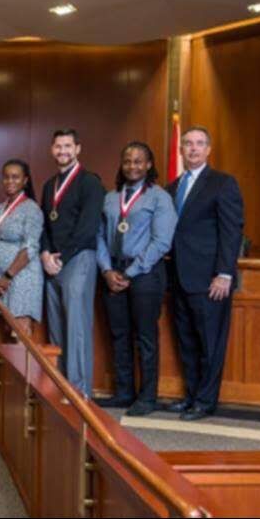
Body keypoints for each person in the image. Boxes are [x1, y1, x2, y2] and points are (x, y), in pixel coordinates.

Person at [164, 126, 244, 421]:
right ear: (181, 150)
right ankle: (191, 396)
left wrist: (224, 273)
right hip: (179, 277)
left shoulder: (222, 183)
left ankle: (205, 402)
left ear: (208, 150)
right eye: (188, 144)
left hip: (210, 279)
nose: (193, 149)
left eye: (199, 144)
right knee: (186, 341)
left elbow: (231, 231)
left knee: (210, 343)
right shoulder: (172, 187)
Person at [96, 141, 177, 417]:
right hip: (112, 273)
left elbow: (161, 242)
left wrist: (129, 273)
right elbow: (99, 237)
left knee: (145, 337)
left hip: (145, 275)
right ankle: (124, 391)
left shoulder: (159, 197)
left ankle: (147, 396)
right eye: (128, 161)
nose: (133, 166)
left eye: (139, 161)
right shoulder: (110, 198)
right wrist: (107, 270)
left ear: (149, 164)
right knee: (119, 335)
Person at [39, 129, 105, 399]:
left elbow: (87, 228)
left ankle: (78, 391)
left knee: (76, 326)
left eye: (68, 146)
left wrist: (60, 256)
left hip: (78, 259)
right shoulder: (48, 185)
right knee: (56, 326)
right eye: (58, 146)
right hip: (52, 262)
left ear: (78, 149)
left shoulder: (90, 183)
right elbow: (45, 224)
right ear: (52, 150)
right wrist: (45, 253)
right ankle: (61, 384)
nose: (62, 151)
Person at [0, 158, 43, 336]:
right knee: (8, 331)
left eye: (15, 177)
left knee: (20, 333)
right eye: (6, 177)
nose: (10, 181)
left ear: (25, 180)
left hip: (21, 279)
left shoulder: (31, 209)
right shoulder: (0, 208)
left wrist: (8, 275)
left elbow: (30, 248)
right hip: (1, 281)